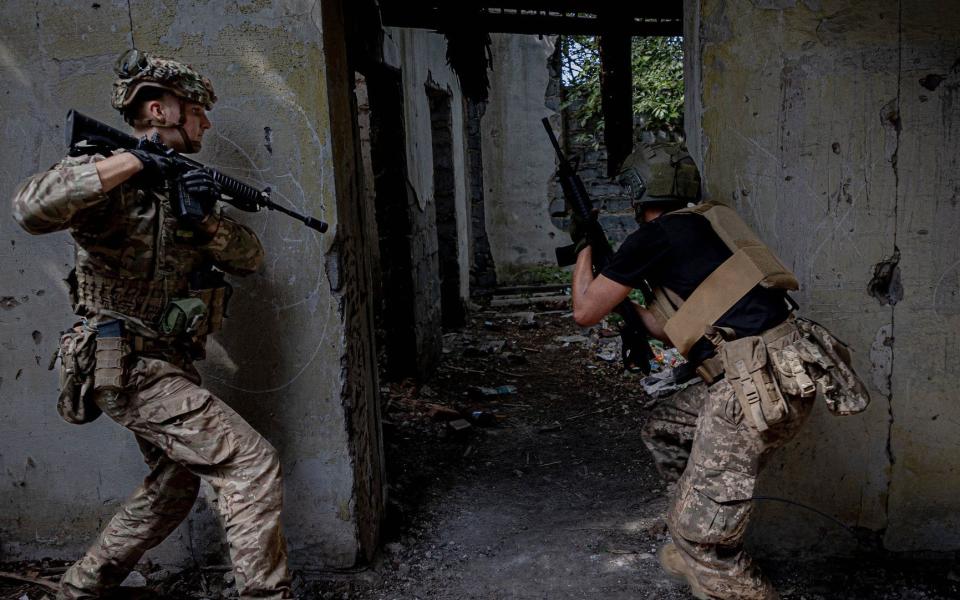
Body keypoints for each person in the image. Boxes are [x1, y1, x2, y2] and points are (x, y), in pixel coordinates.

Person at [12, 49, 293, 600]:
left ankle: (80, 588)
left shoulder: (183, 186)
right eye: (197, 111)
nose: (207, 123)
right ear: (161, 110)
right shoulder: (104, 173)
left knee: (175, 483)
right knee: (251, 462)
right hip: (126, 361)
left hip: (170, 362)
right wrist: (137, 163)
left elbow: (250, 257)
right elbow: (30, 208)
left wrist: (203, 220)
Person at [569, 143, 865, 600]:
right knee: (664, 427)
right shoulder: (707, 225)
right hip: (782, 376)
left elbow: (585, 311)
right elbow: (668, 330)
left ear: (640, 192)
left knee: (701, 533)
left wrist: (585, 248)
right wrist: (626, 304)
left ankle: (707, 549)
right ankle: (697, 517)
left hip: (750, 391)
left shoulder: (654, 237)